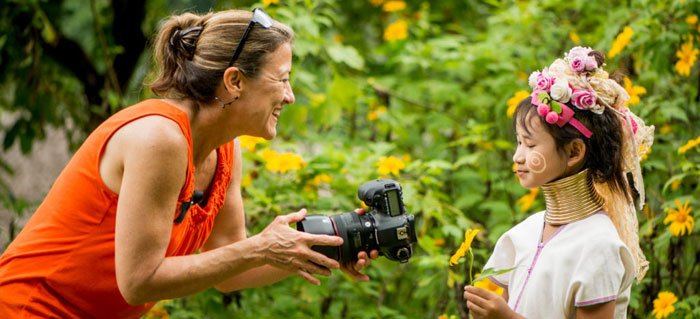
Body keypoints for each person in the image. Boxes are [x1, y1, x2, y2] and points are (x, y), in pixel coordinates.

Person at [0, 8, 376, 318]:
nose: (290, 96)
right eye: (282, 79)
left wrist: (320, 247)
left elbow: (228, 269)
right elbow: (139, 281)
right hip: (28, 308)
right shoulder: (159, 139)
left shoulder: (224, 150)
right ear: (234, 82)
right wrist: (260, 247)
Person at [464, 47, 654, 319]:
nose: (518, 156)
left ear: (575, 152)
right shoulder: (524, 233)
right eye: (519, 142)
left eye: (530, 144)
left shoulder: (599, 247)